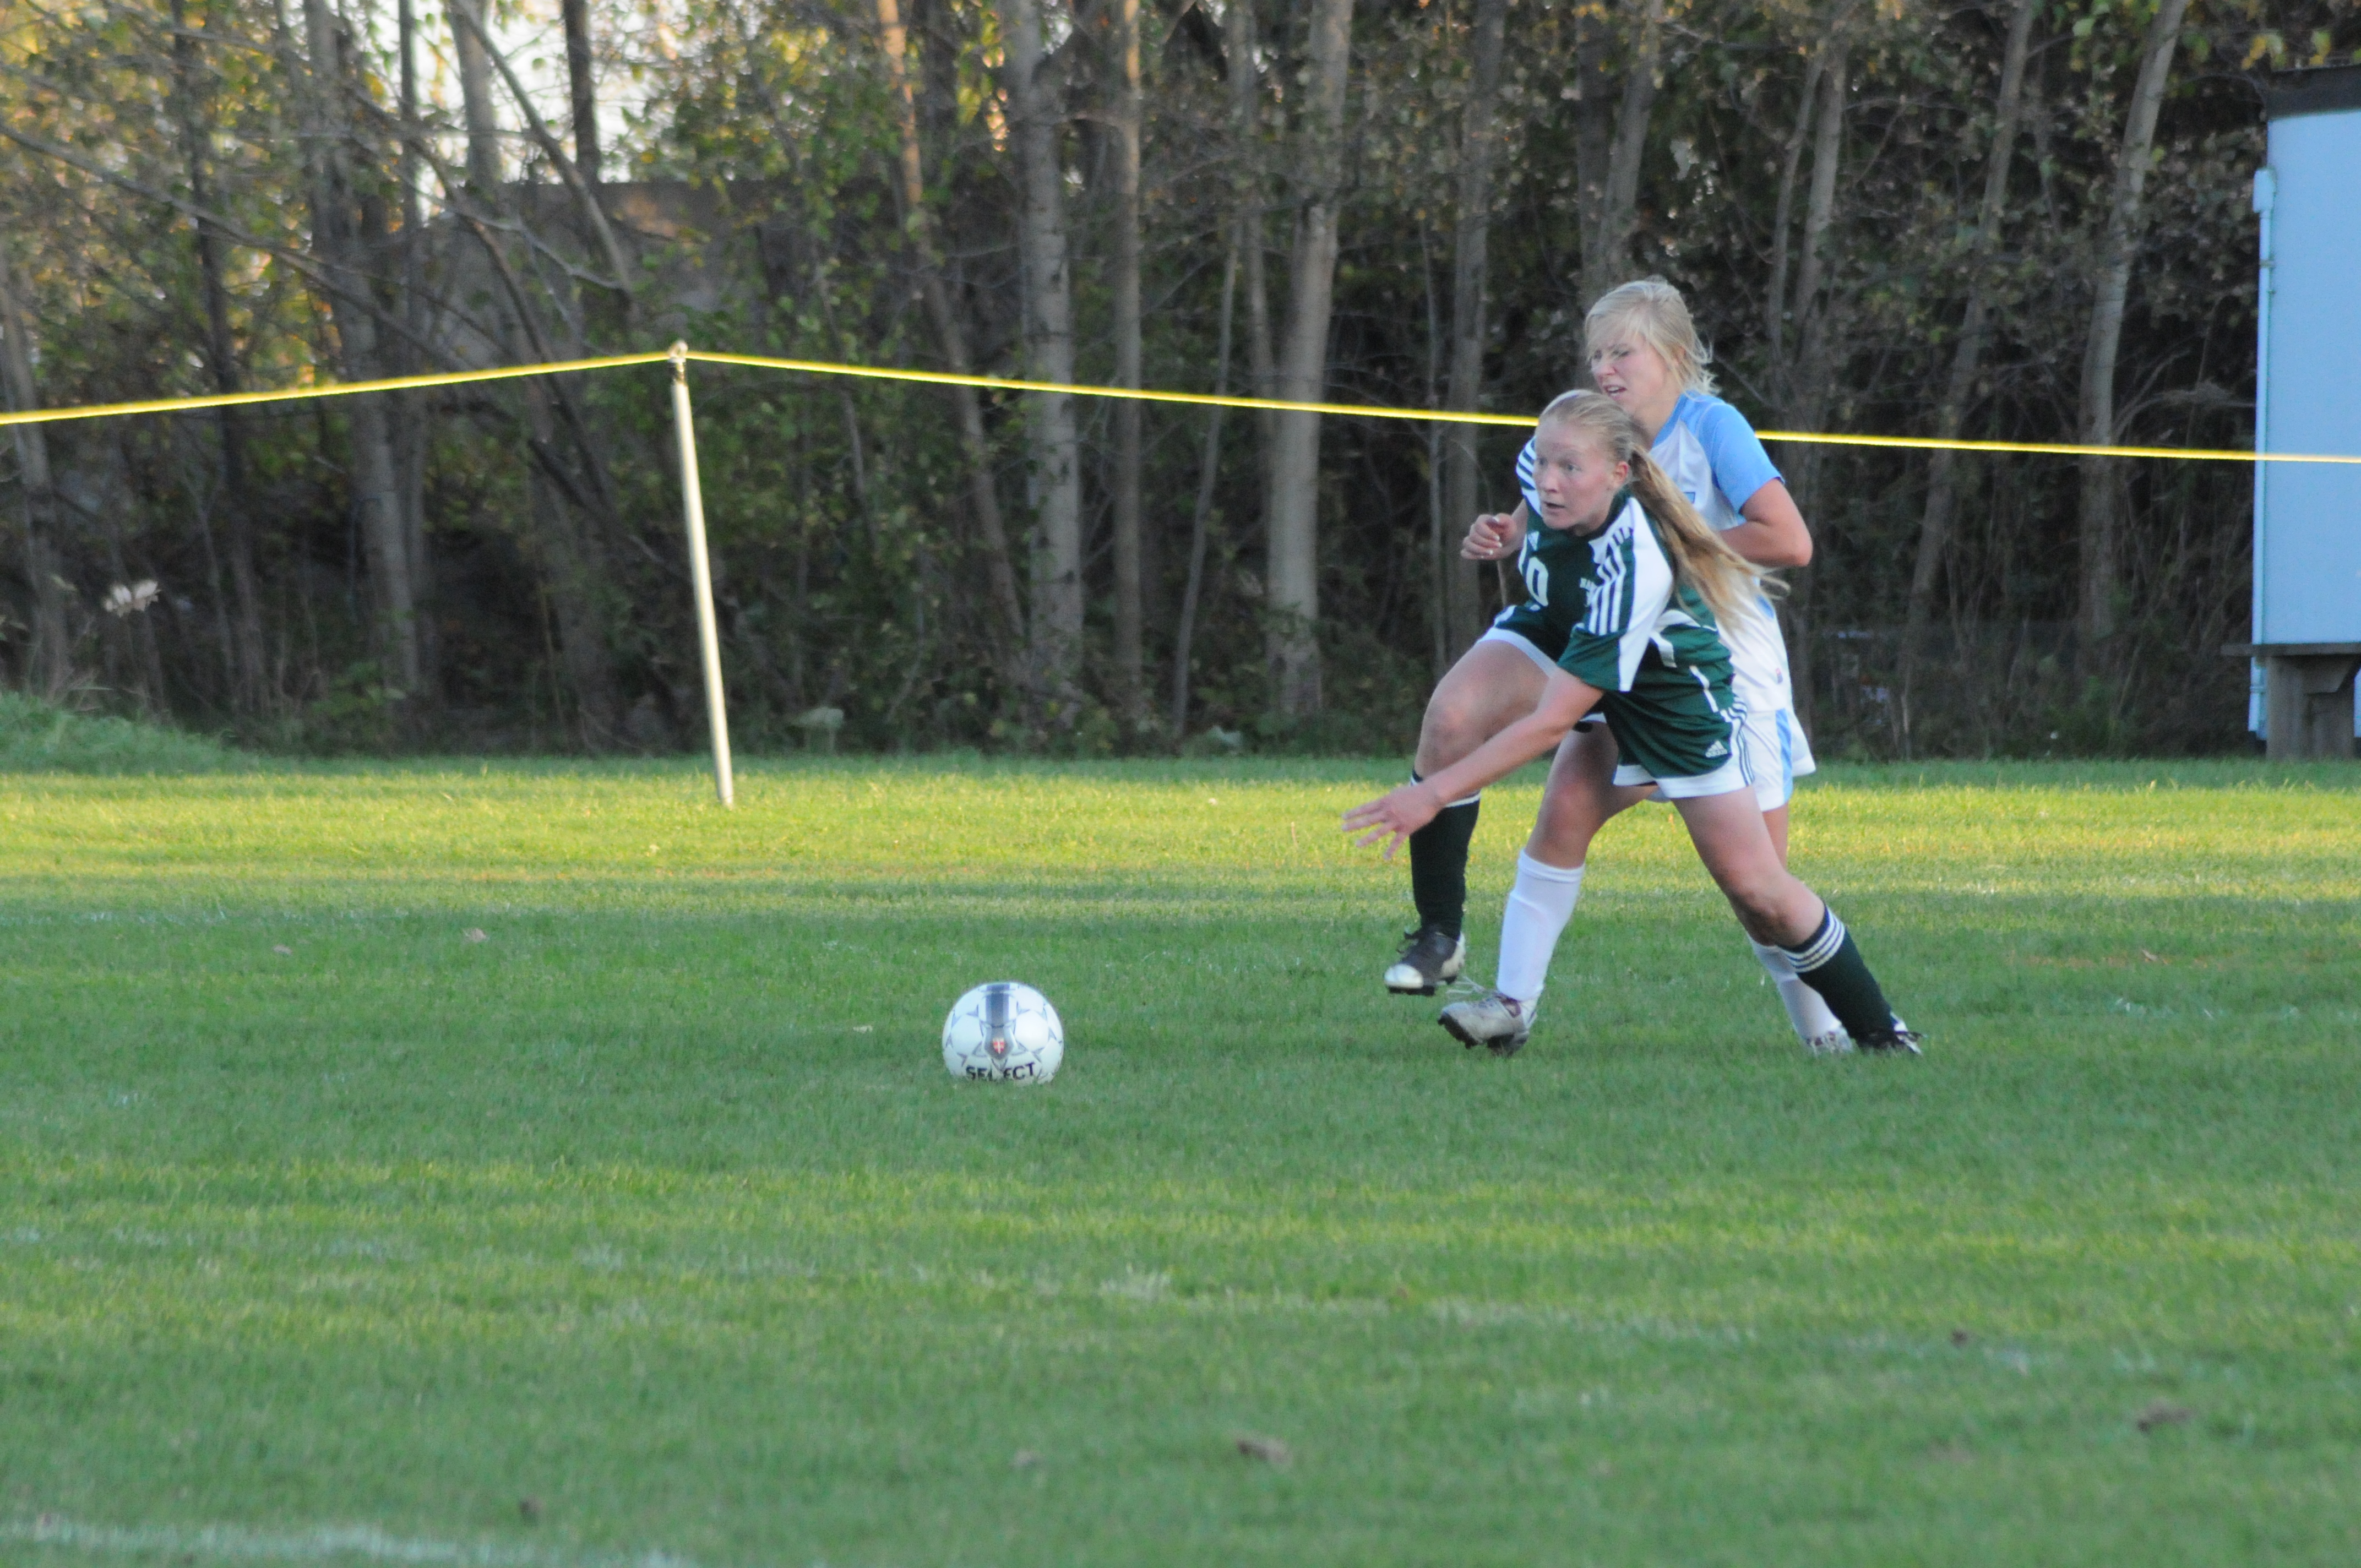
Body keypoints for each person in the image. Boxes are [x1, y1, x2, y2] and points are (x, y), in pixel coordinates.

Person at [1343, 390, 1919, 1058]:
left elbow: (1549, 723)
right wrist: (1507, 533)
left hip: (1667, 693)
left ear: (1619, 474)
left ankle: (1881, 1034)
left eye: (1570, 468)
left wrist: (1431, 794)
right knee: (1459, 723)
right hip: (1564, 631)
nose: (1549, 481)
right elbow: (1531, 510)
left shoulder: (1634, 559)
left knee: (1758, 890)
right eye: (1544, 463)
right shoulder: (1542, 475)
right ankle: (1445, 941)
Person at [1394, 277, 1849, 1053]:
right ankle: (1507, 1003)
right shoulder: (1591, 432)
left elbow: (1789, 540)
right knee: (1562, 809)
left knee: (1760, 890)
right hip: (1612, 652)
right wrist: (1509, 533)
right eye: (1597, 354)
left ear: (1672, 354)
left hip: (1717, 670)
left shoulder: (1711, 427)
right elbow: (1546, 517)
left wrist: (1668, 555)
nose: (1604, 368)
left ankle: (1834, 1035)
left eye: (1622, 353)